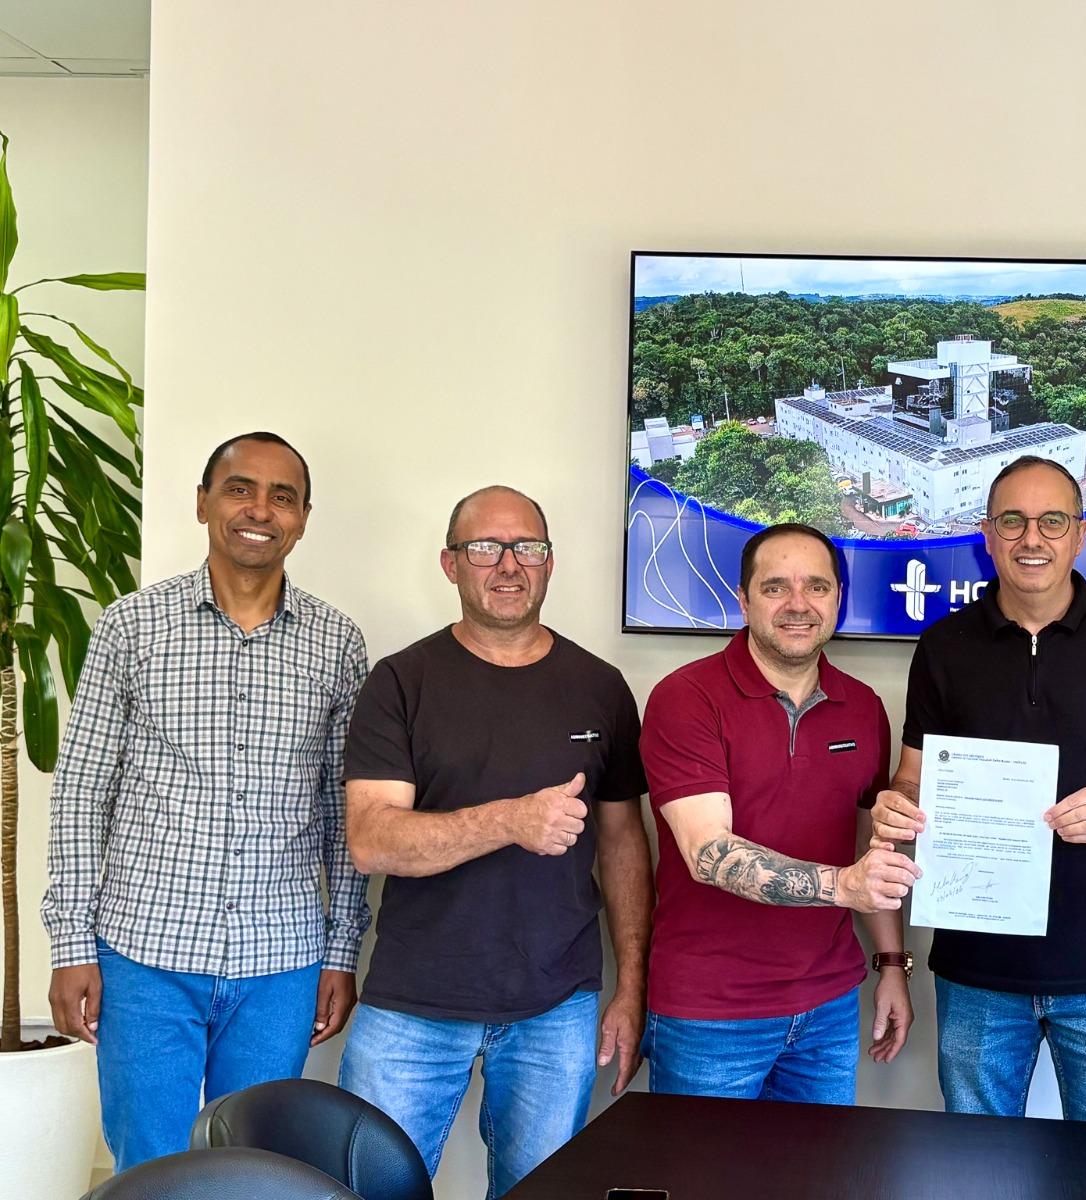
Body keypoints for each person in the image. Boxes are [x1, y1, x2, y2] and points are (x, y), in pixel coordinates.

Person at [42, 432, 370, 1172]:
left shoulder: (338, 643)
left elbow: (343, 810)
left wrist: (341, 951)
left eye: (283, 496)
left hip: (281, 961)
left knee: (254, 1166)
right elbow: (83, 789)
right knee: (150, 1166)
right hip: (144, 951)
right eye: (239, 489)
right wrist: (71, 945)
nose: (260, 510)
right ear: (202, 503)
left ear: (303, 518)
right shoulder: (132, 626)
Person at [337, 485, 652, 1200]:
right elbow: (372, 841)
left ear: (549, 562)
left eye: (527, 548)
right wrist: (510, 821)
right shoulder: (401, 682)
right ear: (451, 564)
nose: (509, 565)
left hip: (556, 1006)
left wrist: (632, 986)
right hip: (414, 1004)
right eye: (485, 548)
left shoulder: (600, 687)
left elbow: (624, 844)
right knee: (371, 1192)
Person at [871, 455, 1086, 1123]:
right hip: (975, 972)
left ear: (1080, 535)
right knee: (976, 1168)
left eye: (1052, 521)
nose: (1032, 539)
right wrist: (898, 804)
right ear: (987, 535)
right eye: (1012, 521)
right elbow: (914, 776)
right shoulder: (943, 646)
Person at [637, 522, 918, 1104]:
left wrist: (892, 963)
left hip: (829, 1007)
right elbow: (709, 853)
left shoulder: (863, 706)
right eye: (775, 587)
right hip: (711, 1013)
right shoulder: (686, 698)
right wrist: (843, 886)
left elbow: (869, 849)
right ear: (743, 600)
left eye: (817, 586)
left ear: (838, 599)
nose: (798, 604)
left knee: (820, 1165)